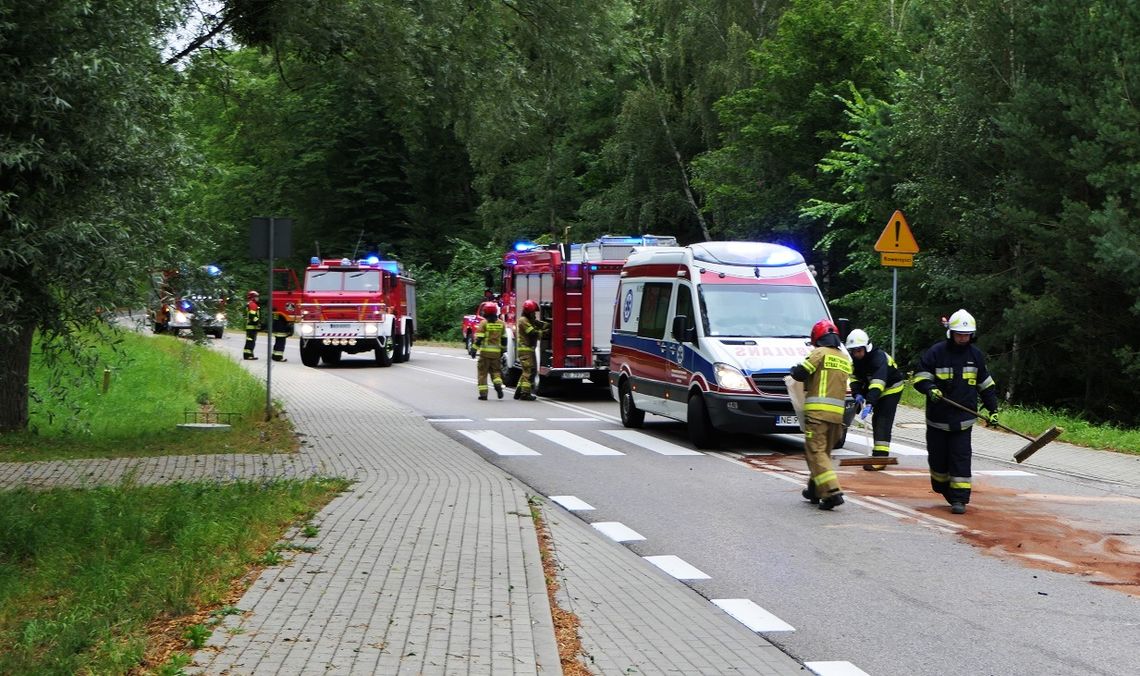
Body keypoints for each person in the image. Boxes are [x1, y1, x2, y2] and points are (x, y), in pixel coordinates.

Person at [911, 309, 1000, 515]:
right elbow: (920, 377)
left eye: (966, 335)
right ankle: (944, 488)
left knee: (960, 458)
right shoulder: (936, 352)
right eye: (959, 334)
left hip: (963, 420)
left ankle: (959, 499)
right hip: (938, 420)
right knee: (938, 461)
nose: (963, 338)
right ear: (951, 333)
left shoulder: (976, 356)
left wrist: (993, 410)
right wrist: (929, 388)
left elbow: (986, 385)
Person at [790, 318, 852, 510]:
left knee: (815, 452)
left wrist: (793, 370)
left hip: (817, 415)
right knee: (822, 453)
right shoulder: (844, 359)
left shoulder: (819, 353)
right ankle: (814, 490)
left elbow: (801, 373)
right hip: (837, 417)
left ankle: (832, 492)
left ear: (817, 338)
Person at [846, 328, 905, 471]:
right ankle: (877, 456)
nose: (856, 354)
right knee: (876, 421)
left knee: (882, 421)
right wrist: (857, 393)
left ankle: (880, 459)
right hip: (875, 388)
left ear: (866, 348)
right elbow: (854, 378)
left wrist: (870, 403)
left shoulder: (878, 357)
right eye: (853, 351)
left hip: (891, 388)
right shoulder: (855, 360)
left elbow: (879, 382)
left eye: (859, 350)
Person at [514, 299, 549, 400]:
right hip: (525, 350)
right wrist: (544, 332)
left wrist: (548, 325)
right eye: (533, 312)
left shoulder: (529, 320)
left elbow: (540, 324)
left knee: (529, 370)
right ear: (528, 312)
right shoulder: (523, 321)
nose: (534, 314)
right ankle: (525, 394)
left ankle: (519, 391)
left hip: (529, 349)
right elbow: (532, 333)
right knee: (528, 371)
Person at [474, 301, 506, 400]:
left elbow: (479, 339)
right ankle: (498, 385)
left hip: (484, 354)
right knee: (496, 372)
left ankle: (483, 394)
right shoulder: (502, 324)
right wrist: (502, 351)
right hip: (496, 354)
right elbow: (504, 339)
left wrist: (473, 349)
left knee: (482, 374)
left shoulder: (484, 323)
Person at [243, 290, 261, 360]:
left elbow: (247, 315)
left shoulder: (249, 304)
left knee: (250, 341)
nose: (257, 298)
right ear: (253, 297)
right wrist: (258, 322)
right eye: (256, 297)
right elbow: (252, 316)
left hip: (250, 326)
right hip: (252, 327)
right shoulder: (253, 304)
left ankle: (249, 354)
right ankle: (248, 355)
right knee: (250, 341)